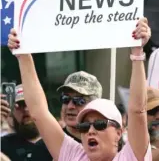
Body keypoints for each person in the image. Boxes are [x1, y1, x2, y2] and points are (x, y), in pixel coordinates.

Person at [8, 17, 152, 160]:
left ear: (119, 133)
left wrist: (137, 53)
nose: (90, 131)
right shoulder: (74, 156)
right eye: (84, 126)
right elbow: (39, 113)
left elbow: (137, 110)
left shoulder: (130, 157)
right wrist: (23, 54)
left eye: (100, 124)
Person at [36, 71, 102, 160]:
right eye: (65, 99)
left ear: (95, 105)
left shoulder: (105, 146)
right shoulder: (46, 146)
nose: (70, 106)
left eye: (79, 101)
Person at [1, 84, 44, 161]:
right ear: (12, 111)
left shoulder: (56, 141)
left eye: (30, 103)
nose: (26, 109)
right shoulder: (4, 145)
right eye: (20, 105)